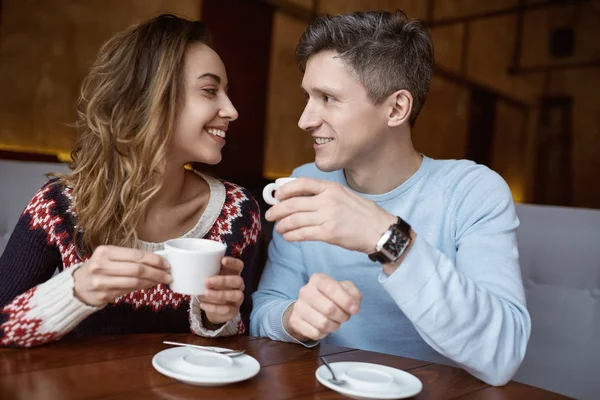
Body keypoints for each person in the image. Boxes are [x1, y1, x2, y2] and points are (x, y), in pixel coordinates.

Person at [250, 10, 530, 386]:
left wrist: (386, 236)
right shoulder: (304, 182)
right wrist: (294, 319)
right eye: (308, 97)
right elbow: (263, 311)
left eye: (328, 98)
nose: (305, 119)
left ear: (396, 108)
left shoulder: (473, 191)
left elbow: (502, 354)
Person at [0, 14, 261, 348]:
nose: (231, 110)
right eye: (210, 91)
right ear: (149, 98)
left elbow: (242, 339)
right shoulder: (59, 207)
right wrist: (77, 289)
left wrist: (217, 317)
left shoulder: (237, 212)